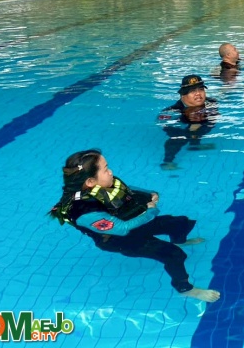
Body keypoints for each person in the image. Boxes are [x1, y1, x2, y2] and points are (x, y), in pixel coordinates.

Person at [49, 150, 220, 302]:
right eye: (106, 169)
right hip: (118, 239)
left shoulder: (103, 184)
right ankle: (185, 289)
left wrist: (148, 195)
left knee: (180, 223)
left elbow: (126, 189)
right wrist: (151, 210)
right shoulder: (85, 212)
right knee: (174, 255)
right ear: (90, 181)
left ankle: (179, 240)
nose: (111, 172)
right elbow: (123, 229)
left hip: (133, 220)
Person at [158, 75, 218, 170]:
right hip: (180, 126)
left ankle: (194, 144)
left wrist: (198, 126)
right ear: (183, 95)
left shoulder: (211, 103)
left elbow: (213, 119)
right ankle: (167, 162)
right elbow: (167, 128)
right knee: (178, 138)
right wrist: (190, 131)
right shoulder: (171, 112)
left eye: (201, 89)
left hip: (197, 123)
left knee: (206, 124)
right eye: (193, 91)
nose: (198, 94)